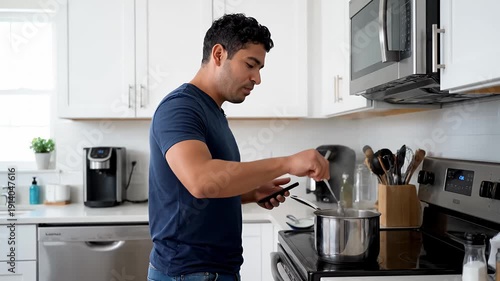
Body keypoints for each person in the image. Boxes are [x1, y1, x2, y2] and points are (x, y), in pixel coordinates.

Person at [148, 13, 330, 281]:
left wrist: (250, 192)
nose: (257, 78)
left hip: (214, 271)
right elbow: (202, 180)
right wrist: (288, 162)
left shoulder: (213, 112)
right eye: (250, 65)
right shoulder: (180, 108)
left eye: (259, 69)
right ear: (219, 54)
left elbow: (203, 193)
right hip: (189, 273)